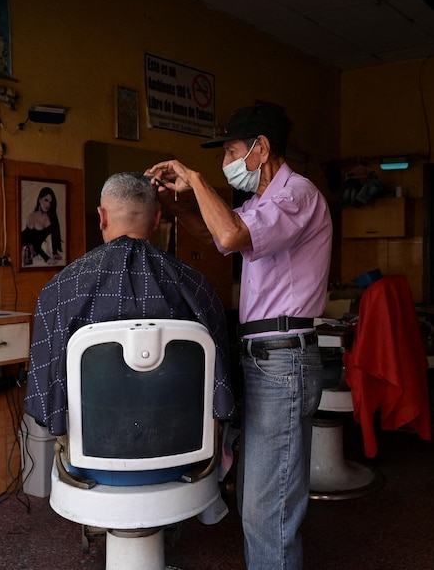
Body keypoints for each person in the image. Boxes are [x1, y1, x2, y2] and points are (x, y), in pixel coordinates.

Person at [146, 103, 332, 569]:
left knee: (269, 509)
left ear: (260, 149)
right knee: (257, 495)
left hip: (283, 359)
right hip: (265, 356)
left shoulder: (298, 195)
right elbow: (216, 235)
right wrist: (178, 205)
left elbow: (228, 237)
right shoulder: (263, 204)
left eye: (230, 151)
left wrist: (197, 181)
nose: (224, 163)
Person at [24, 171, 235, 447]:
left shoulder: (60, 290)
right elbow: (224, 392)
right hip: (180, 445)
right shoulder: (197, 287)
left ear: (102, 216)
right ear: (157, 221)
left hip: (92, 451)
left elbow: (43, 403)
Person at [21, 186, 64, 266]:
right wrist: (47, 258)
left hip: (30, 253)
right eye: (46, 200)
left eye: (50, 202)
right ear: (39, 199)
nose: (48, 204)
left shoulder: (50, 221)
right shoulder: (31, 215)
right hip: (19, 248)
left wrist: (53, 253)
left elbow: (53, 236)